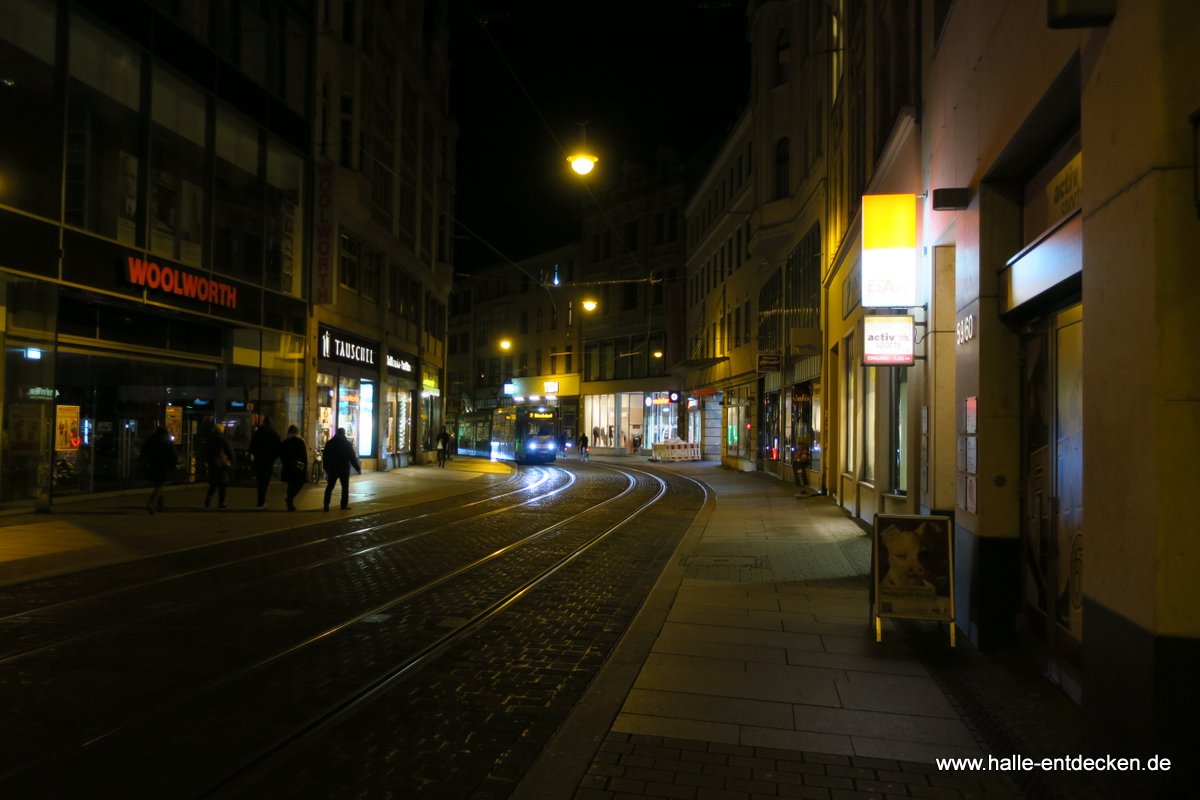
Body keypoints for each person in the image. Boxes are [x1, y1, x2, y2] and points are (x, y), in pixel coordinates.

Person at [139, 426, 177, 515]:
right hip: (163, 466)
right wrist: (173, 466)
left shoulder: (151, 440)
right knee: (159, 486)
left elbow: (143, 451)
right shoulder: (167, 442)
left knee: (158, 485)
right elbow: (173, 455)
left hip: (153, 465)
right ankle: (151, 504)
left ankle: (161, 506)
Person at [322, 427, 360, 511]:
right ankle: (343, 505)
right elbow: (352, 457)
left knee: (330, 487)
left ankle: (326, 505)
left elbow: (325, 457)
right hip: (344, 469)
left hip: (332, 469)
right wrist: (357, 468)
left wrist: (326, 468)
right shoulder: (346, 444)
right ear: (343, 433)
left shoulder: (330, 443)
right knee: (345, 487)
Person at [249, 416, 282, 509]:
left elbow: (252, 446)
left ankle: (260, 500)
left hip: (259, 460)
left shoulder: (258, 433)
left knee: (260, 481)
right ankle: (261, 500)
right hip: (268, 460)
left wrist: (256, 455)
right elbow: (278, 449)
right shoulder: (274, 434)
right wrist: (273, 457)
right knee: (265, 481)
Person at [278, 424, 308, 512]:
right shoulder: (300, 441)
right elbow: (304, 456)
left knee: (290, 485)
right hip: (298, 467)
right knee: (299, 484)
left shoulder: (285, 442)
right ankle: (290, 499)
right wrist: (304, 466)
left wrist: (286, 463)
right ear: (296, 432)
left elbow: (282, 455)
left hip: (288, 467)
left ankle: (290, 502)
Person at [204, 426, 234, 509]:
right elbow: (229, 451)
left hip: (213, 464)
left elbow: (207, 452)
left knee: (213, 483)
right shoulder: (223, 440)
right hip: (222, 464)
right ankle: (221, 502)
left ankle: (209, 497)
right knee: (223, 484)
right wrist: (232, 461)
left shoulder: (210, 440)